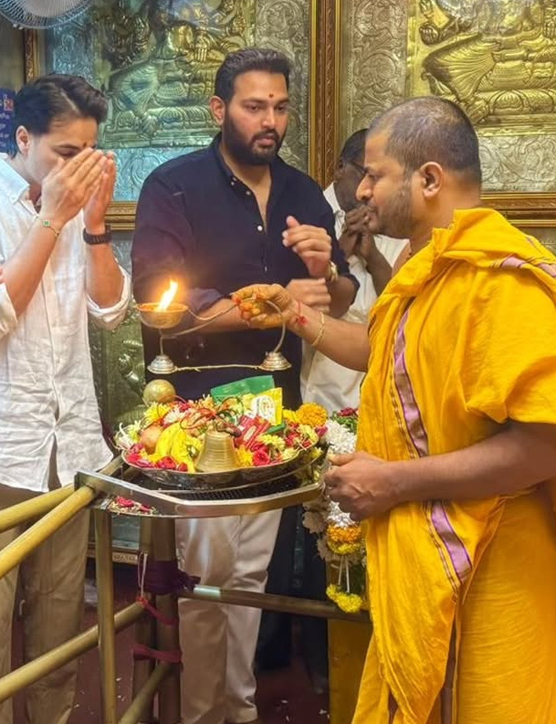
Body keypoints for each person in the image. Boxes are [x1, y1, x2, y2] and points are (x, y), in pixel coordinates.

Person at [235, 95, 556, 724]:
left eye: (375, 175)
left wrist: (392, 482)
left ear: (429, 179)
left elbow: (542, 445)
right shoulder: (424, 264)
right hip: (429, 551)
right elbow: (381, 352)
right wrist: (295, 314)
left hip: (489, 563)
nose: (361, 190)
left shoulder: (500, 280)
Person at [132, 47, 356, 724]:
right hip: (199, 417)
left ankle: (243, 710)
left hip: (275, 414)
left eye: (280, 107)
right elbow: (163, 308)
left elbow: (339, 301)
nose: (270, 121)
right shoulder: (173, 187)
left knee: (252, 580)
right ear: (219, 109)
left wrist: (327, 267)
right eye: (255, 106)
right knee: (205, 585)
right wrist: (277, 299)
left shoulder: (302, 191)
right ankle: (206, 714)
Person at [0, 74, 130, 724]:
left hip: (70, 449)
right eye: (65, 153)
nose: (78, 168)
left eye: (89, 152)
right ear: (23, 137)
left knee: (61, 624)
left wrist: (90, 226)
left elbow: (112, 311)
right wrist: (52, 216)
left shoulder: (76, 205)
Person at [301, 129, 407, 411]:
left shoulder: (396, 224)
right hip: (305, 382)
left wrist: (372, 256)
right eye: (365, 174)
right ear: (339, 168)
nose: (367, 189)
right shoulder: (306, 213)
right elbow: (293, 297)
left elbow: (403, 307)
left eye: (380, 178)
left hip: (369, 390)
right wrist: (340, 251)